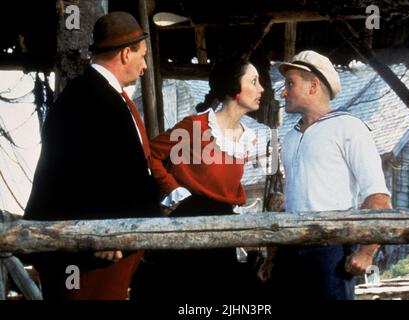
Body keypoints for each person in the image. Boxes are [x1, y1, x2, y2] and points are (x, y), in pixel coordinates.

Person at [23, 12, 160, 300]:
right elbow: (73, 172)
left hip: (108, 247)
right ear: (125, 54)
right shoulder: (86, 98)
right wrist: (102, 230)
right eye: (142, 56)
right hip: (87, 256)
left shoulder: (102, 95)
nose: (145, 65)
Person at [132, 57, 264, 300]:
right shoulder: (196, 126)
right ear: (234, 88)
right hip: (188, 226)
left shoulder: (248, 138)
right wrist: (174, 189)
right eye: (254, 82)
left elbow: (229, 188)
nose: (261, 89)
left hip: (223, 232)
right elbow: (150, 154)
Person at [272, 50, 392, 299]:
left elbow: (378, 198)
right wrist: (272, 257)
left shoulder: (349, 127)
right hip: (289, 251)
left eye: (290, 84)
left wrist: (367, 252)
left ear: (313, 85)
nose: (283, 92)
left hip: (330, 252)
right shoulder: (291, 137)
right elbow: (292, 201)